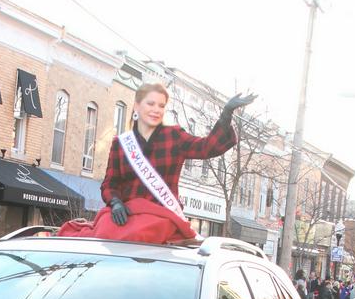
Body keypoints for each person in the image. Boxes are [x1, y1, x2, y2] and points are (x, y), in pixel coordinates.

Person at [57, 83, 253, 244]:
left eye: (161, 105)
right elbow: (110, 184)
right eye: (151, 103)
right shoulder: (122, 143)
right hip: (125, 215)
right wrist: (115, 202)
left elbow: (207, 147)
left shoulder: (174, 136)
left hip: (160, 217)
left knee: (141, 236)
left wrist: (226, 113)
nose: (156, 110)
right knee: (103, 235)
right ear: (137, 106)